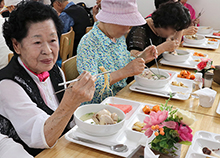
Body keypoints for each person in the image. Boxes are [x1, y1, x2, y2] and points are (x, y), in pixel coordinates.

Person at [0, 1, 95, 156]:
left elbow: (69, 123)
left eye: (52, 40)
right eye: (37, 42)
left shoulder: (55, 71)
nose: (48, 50)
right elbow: (40, 138)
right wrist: (71, 102)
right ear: (16, 45)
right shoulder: (7, 85)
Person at [77, 0, 157, 104]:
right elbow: (89, 85)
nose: (128, 28)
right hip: (98, 107)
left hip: (121, 96)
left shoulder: (118, 38)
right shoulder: (88, 43)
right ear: (108, 19)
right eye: (124, 23)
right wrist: (125, 72)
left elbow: (124, 62)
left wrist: (142, 57)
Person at [126, 1, 191, 68]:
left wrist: (180, 28)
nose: (174, 33)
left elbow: (174, 46)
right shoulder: (140, 30)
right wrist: (162, 48)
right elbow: (134, 59)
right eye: (174, 30)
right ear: (162, 24)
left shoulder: (161, 30)